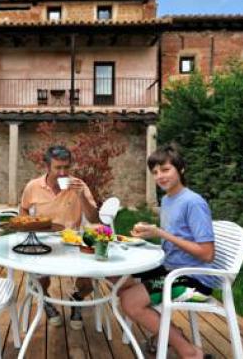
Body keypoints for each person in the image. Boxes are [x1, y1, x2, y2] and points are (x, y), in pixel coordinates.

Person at [119, 144, 215, 359]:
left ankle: (189, 352)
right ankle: (174, 333)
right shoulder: (169, 199)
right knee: (119, 279)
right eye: (155, 172)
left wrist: (161, 233)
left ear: (180, 169)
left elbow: (207, 254)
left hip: (193, 279)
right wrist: (150, 233)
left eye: (165, 170)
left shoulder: (193, 202)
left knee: (130, 301)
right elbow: (174, 236)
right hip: (171, 269)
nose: (159, 176)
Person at [20, 145, 98, 329]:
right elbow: (23, 207)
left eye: (66, 167)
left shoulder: (78, 185)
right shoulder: (33, 186)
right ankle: (47, 303)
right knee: (39, 279)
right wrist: (27, 223)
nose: (63, 173)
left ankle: (77, 300)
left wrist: (81, 197)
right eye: (58, 168)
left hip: (73, 242)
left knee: (88, 282)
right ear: (47, 167)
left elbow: (94, 218)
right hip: (44, 241)